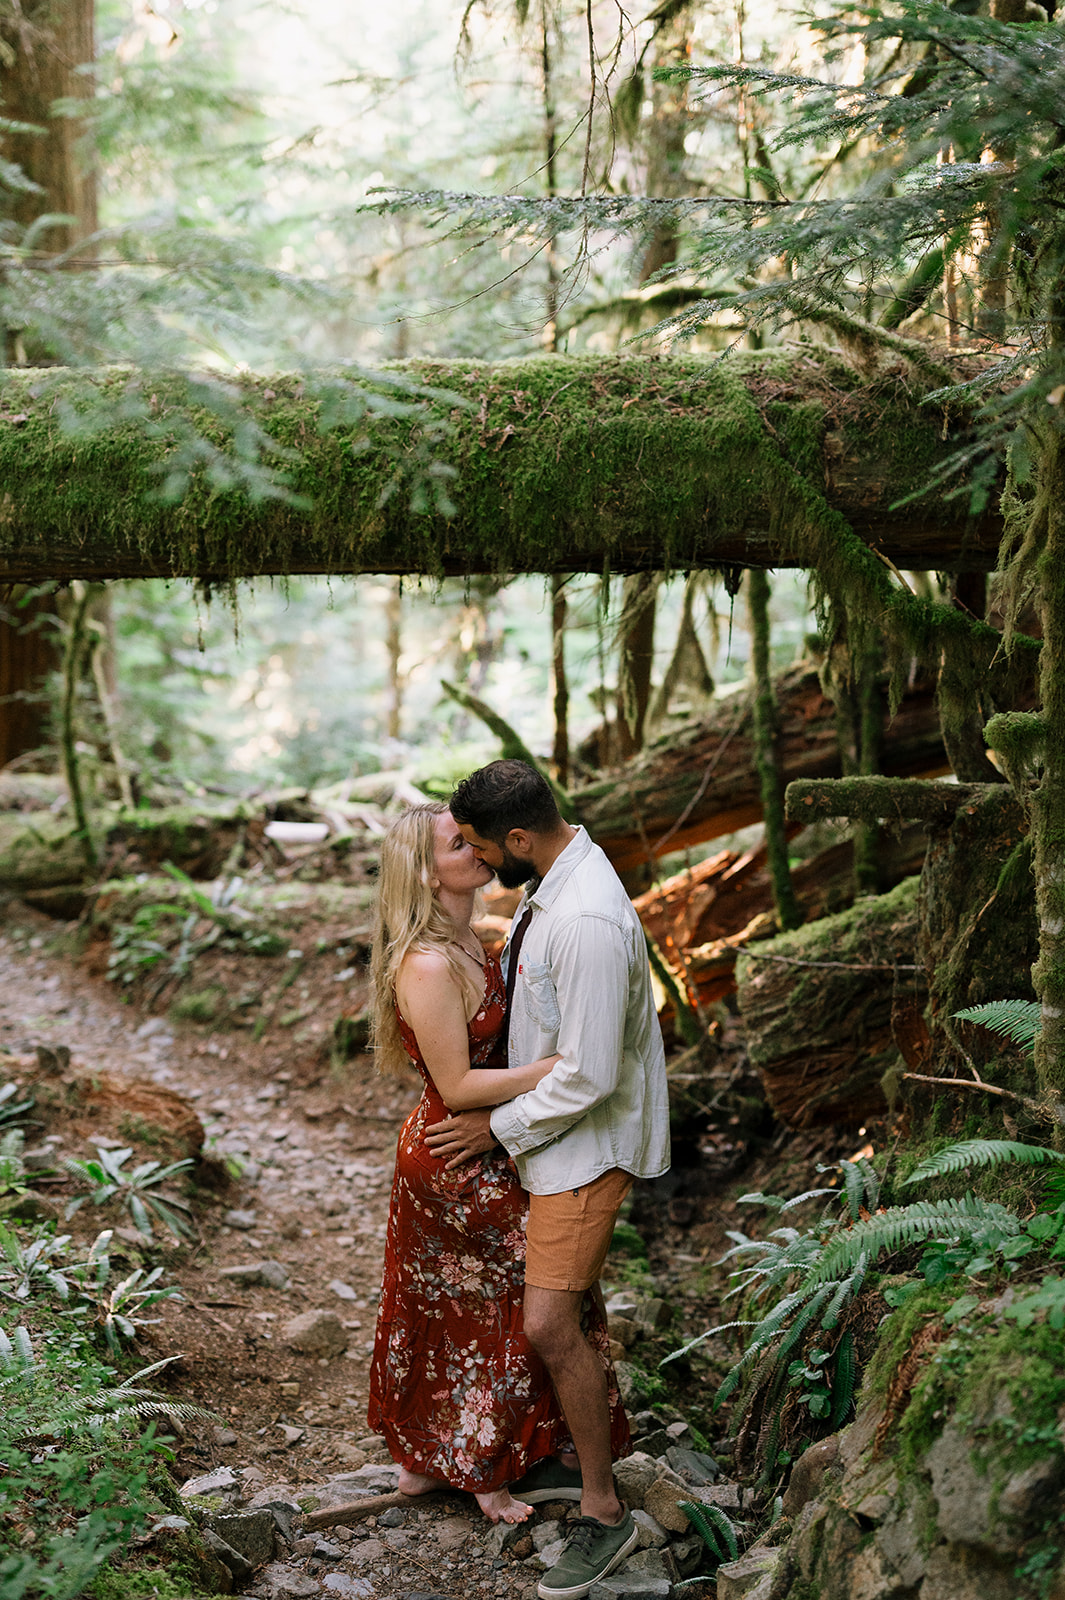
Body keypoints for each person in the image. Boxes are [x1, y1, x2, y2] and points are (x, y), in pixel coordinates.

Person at [427, 759, 671, 1600]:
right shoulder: (551, 885)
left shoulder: (587, 920)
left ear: (520, 839)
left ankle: (605, 1514)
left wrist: (492, 1127)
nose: (478, 859)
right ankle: (566, 1458)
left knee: (549, 1326)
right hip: (552, 1146)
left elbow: (591, 1073)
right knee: (553, 1320)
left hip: (583, 1148)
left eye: (481, 847)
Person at [366, 801, 628, 1525]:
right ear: (423, 871)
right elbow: (456, 1086)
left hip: (487, 1142)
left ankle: (432, 1460)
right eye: (459, 842)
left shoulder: (473, 939)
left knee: (483, 1304)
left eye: (476, 835)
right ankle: (482, 1466)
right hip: (454, 1154)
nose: (478, 847)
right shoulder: (423, 963)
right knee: (499, 1307)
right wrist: (558, 1068)